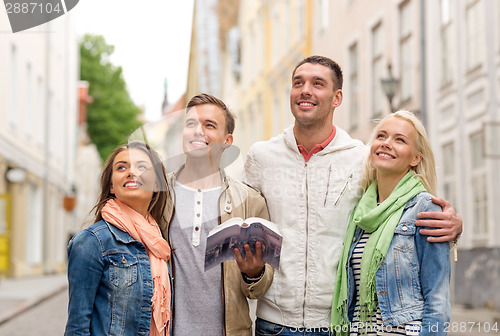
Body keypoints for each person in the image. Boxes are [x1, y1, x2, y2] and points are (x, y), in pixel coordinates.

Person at [244, 55, 462, 335]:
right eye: (298, 82)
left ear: (337, 98)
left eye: (317, 83)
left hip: (336, 324)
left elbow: (394, 208)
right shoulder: (261, 157)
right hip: (273, 323)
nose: (305, 90)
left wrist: (455, 226)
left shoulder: (362, 158)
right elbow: (242, 224)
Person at [162, 93, 273, 336]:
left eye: (209, 125)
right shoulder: (160, 196)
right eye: (191, 124)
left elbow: (260, 288)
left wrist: (254, 272)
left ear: (227, 141)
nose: (197, 131)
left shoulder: (250, 202)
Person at [332, 110, 450, 336]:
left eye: (400, 140)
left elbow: (438, 298)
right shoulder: (360, 212)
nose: (387, 143)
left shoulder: (425, 207)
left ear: (416, 158)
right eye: (381, 136)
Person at [65, 141, 171, 336]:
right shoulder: (92, 242)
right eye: (121, 167)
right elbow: (77, 327)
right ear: (112, 186)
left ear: (157, 184)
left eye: (142, 167)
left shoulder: (159, 244)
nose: (131, 172)